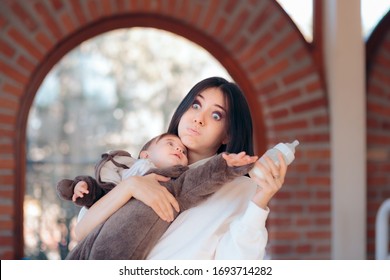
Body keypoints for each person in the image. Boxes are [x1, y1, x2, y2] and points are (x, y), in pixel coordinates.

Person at [75, 76, 288, 260]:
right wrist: (130, 187)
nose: (198, 118)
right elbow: (82, 232)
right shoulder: (144, 166)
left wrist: (261, 200)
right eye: (196, 105)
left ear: (228, 134)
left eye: (216, 115)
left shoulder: (240, 188)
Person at [57, 133, 189, 208]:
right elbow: (101, 193)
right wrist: (83, 187)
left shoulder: (177, 181)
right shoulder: (129, 170)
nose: (178, 149)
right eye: (170, 144)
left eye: (183, 151)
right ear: (146, 155)